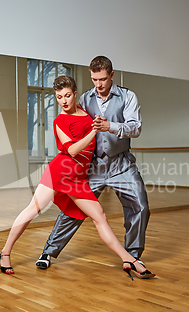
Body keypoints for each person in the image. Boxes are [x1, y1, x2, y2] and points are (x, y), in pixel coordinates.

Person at [0, 75, 154, 280]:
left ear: (75, 93)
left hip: (79, 178)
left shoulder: (86, 111)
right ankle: (5, 252)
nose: (64, 100)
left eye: (67, 95)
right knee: (32, 210)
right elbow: (72, 150)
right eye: (59, 97)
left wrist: (102, 125)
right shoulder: (59, 121)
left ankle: (130, 259)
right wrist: (93, 132)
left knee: (100, 217)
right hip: (60, 172)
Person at [36, 56, 151, 274]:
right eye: (94, 79)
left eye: (103, 79)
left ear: (112, 75)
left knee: (141, 206)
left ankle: (132, 257)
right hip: (92, 166)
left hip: (122, 164)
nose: (98, 84)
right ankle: (48, 252)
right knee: (74, 210)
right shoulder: (85, 99)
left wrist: (110, 126)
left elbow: (136, 128)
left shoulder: (127, 96)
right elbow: (69, 121)